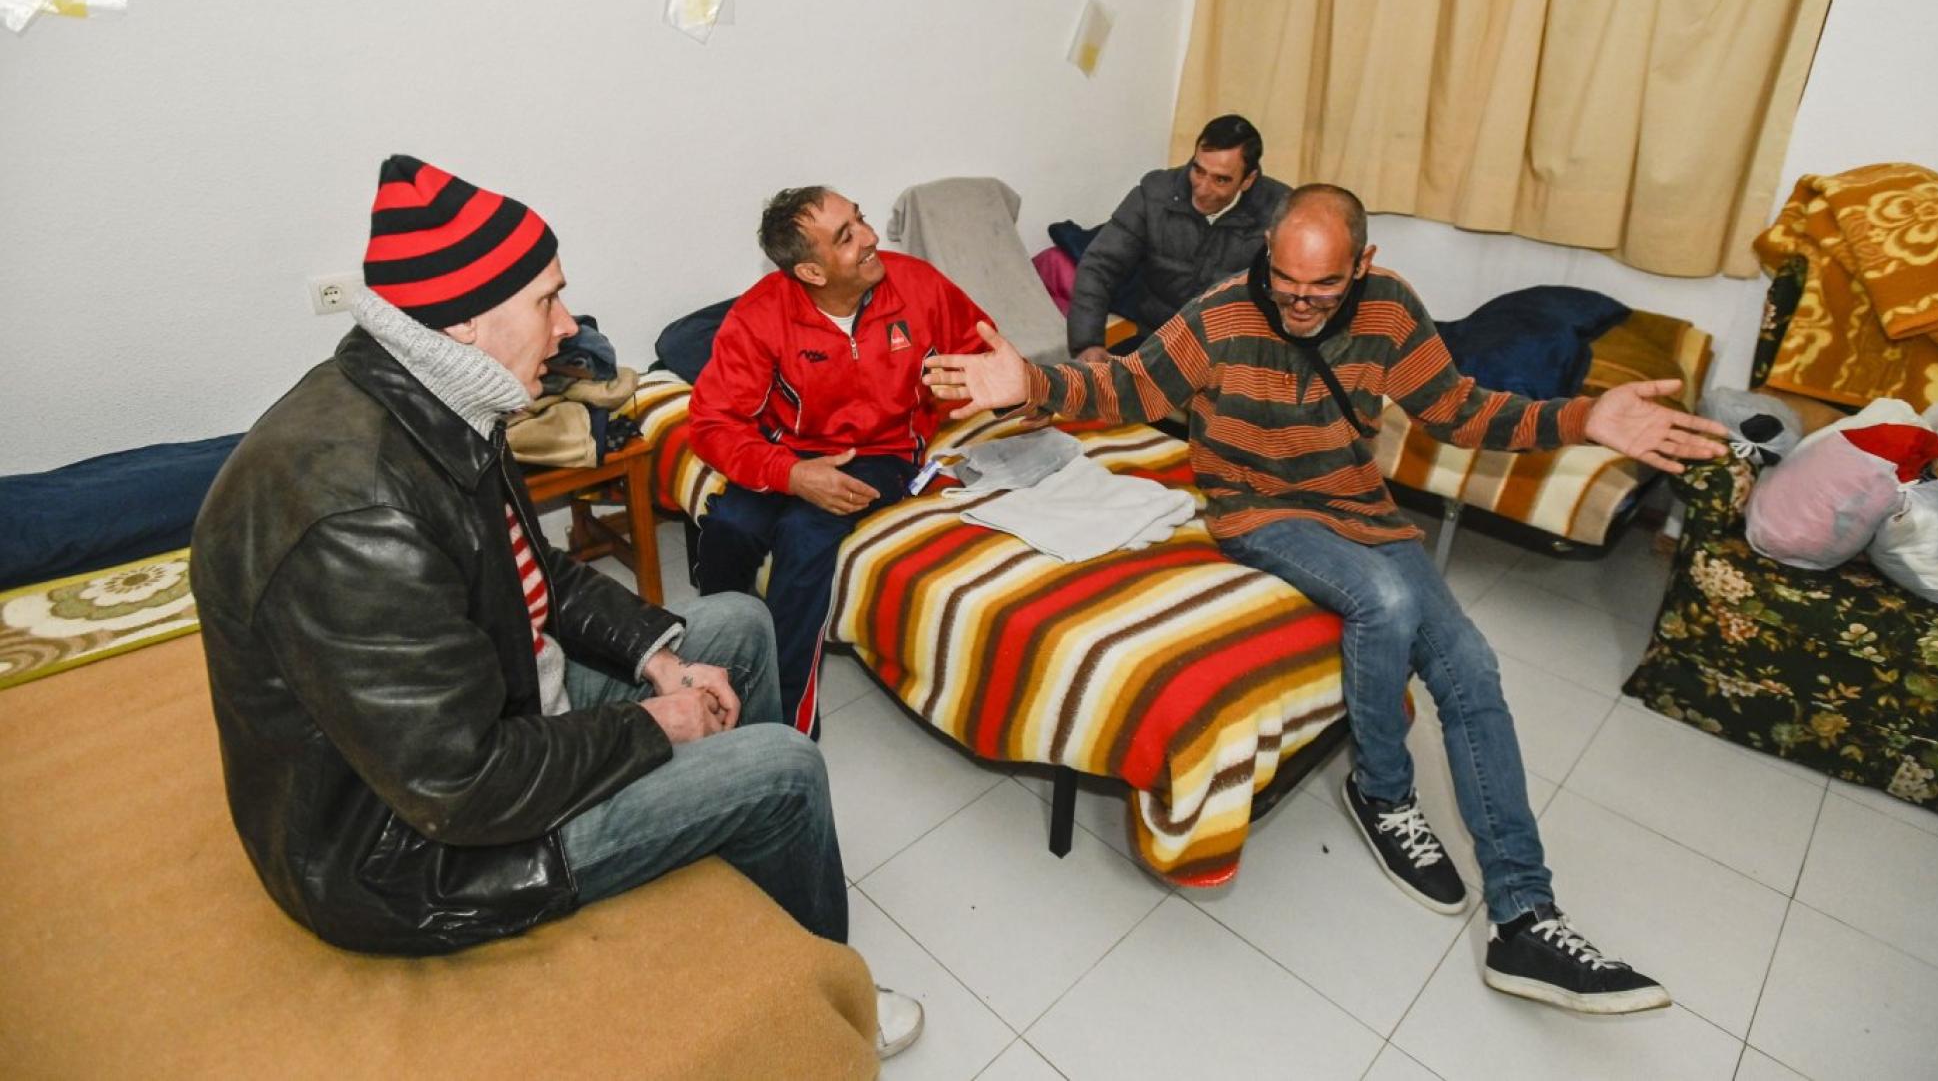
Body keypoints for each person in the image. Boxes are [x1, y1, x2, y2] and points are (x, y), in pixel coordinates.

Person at [924, 183, 1731, 1015]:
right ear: (1267, 257)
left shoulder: (1389, 314)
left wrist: (1582, 419)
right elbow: (1128, 388)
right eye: (1286, 281)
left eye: (1324, 287)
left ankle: (1524, 918)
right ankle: (1382, 791)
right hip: (1256, 509)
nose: (1301, 303)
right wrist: (1031, 383)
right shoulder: (1221, 317)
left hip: (1359, 507)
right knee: (1383, 597)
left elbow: (1459, 411)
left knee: (1474, 671)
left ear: (1364, 266)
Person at [191, 156, 922, 1057]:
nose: (568, 325)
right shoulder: (359, 518)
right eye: (547, 301)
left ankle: (739, 863)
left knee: (736, 626)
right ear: (464, 318)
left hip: (487, 704)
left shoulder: (444, 401)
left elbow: (539, 573)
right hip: (413, 857)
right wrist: (662, 725)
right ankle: (829, 991)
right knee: (781, 768)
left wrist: (657, 655)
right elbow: (462, 787)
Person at [689, 186, 993, 736]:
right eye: (846, 237)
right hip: (789, 451)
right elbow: (711, 424)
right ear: (811, 272)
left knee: (807, 531)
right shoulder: (760, 316)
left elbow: (987, 349)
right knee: (730, 527)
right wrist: (789, 472)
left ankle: (782, 724)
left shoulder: (917, 285)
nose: (871, 238)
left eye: (860, 220)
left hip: (882, 451)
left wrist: (1027, 391)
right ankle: (715, 669)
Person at [1067, 113, 1290, 361]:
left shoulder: (1282, 214)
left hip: (1231, 357)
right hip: (1156, 343)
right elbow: (1100, 265)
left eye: (1221, 180)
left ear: (1248, 180)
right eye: (1198, 170)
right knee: (1083, 393)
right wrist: (1087, 343)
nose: (1203, 189)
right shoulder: (1155, 194)